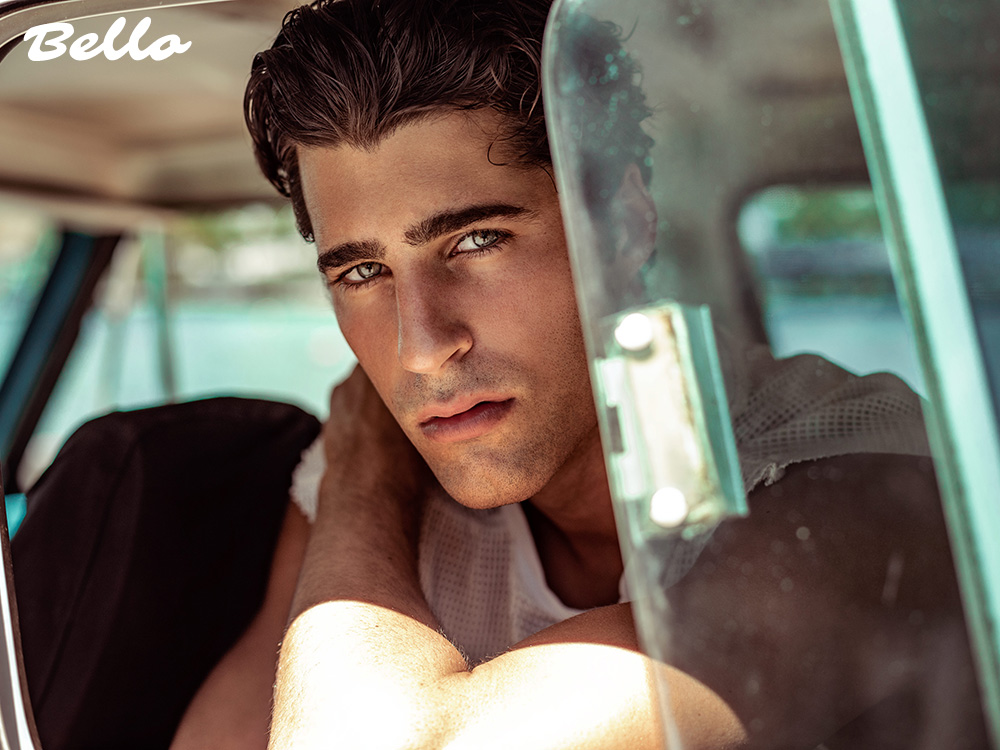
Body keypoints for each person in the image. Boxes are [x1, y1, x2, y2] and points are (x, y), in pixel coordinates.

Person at [168, 0, 989, 747]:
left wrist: (362, 466)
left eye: (477, 241)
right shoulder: (364, 484)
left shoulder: (857, 489)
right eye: (361, 272)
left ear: (622, 226)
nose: (420, 348)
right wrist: (358, 474)